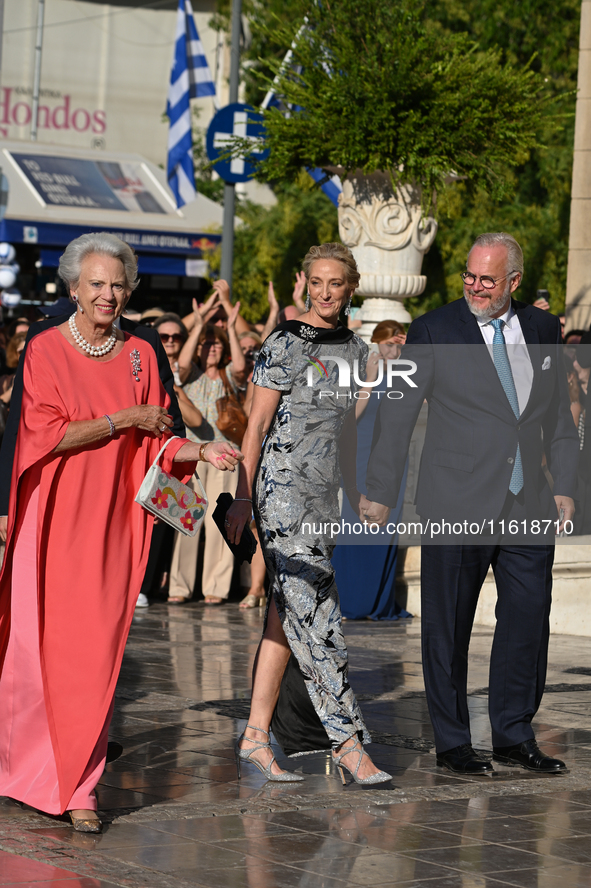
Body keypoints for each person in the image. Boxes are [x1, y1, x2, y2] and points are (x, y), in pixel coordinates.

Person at [0, 232, 241, 832]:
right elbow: (43, 435)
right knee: (39, 650)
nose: (109, 294)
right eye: (98, 283)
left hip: (115, 521)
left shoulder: (141, 353)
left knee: (98, 651)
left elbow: (159, 436)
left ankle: (81, 788)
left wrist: (201, 451)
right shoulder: (46, 348)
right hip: (53, 517)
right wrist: (121, 419)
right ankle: (27, 772)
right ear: (74, 288)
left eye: (119, 284)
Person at [362, 232, 579, 775]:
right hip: (455, 499)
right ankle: (454, 740)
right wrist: (381, 491)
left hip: (528, 501)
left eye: (487, 279)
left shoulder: (542, 328)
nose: (475, 286)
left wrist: (566, 486)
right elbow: (397, 414)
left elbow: (557, 419)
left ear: (514, 282)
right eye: (469, 275)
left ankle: (512, 734)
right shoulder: (435, 328)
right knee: (449, 624)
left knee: (527, 620)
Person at [225, 242, 391, 785]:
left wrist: (357, 493)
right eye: (315, 282)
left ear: (351, 288)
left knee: (284, 619)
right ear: (305, 283)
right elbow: (255, 427)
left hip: (324, 501)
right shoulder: (285, 341)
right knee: (318, 617)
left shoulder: (359, 352)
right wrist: (245, 499)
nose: (323, 292)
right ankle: (348, 744)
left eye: (334, 283)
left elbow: (343, 435)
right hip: (281, 495)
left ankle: (254, 736)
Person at [167, 289, 246, 604]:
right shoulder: (188, 376)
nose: (212, 348)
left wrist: (229, 315)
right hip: (194, 454)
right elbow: (182, 362)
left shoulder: (229, 377)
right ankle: (179, 587)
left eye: (217, 343)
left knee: (220, 524)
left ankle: (216, 588)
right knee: (186, 522)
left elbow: (241, 365)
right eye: (206, 343)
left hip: (226, 457)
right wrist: (199, 323)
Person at [332, 320, 412, 621]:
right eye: (390, 343)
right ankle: (349, 600)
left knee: (385, 529)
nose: (394, 349)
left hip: (394, 461)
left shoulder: (406, 373)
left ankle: (378, 602)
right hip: (361, 457)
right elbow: (350, 416)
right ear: (377, 342)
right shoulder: (360, 368)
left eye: (400, 344)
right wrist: (370, 378)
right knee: (355, 526)